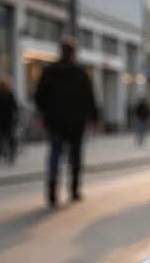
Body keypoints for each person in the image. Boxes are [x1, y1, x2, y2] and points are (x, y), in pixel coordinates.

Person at [34, 37, 100, 207]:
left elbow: (38, 96)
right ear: (73, 52)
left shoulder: (49, 72)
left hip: (55, 121)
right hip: (76, 122)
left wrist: (44, 113)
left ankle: (52, 191)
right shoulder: (80, 73)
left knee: (55, 155)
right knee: (75, 156)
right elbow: (89, 97)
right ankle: (74, 190)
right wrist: (94, 117)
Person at [0, 74, 20, 164]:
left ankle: (8, 153)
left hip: (6, 119)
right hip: (2, 119)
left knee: (6, 137)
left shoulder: (7, 94)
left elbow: (14, 107)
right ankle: (5, 153)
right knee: (3, 137)